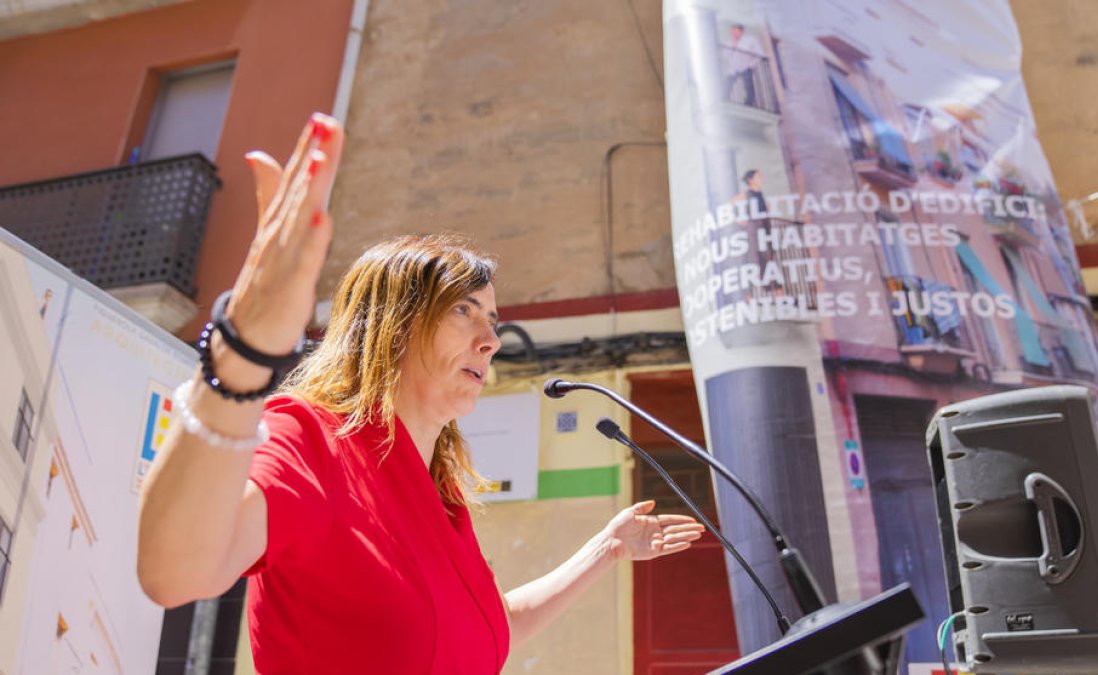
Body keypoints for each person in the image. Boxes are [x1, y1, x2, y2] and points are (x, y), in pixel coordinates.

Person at [136, 112, 705, 673]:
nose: (491, 341)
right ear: (394, 324)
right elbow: (176, 572)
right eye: (464, 310)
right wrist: (243, 352)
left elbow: (489, 631)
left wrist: (607, 549)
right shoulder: (311, 440)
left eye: (493, 320)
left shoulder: (442, 494)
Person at [723, 24, 766, 107]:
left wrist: (752, 64)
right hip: (733, 68)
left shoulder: (750, 40)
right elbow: (726, 56)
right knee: (728, 83)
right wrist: (733, 44)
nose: (733, 33)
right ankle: (725, 99)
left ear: (741, 31)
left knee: (748, 85)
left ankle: (749, 102)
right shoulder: (728, 43)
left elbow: (760, 53)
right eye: (732, 31)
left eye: (735, 30)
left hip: (746, 66)